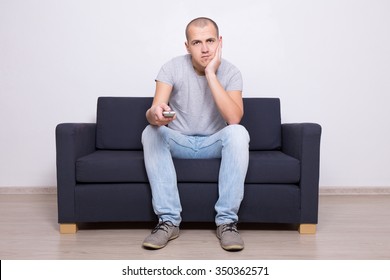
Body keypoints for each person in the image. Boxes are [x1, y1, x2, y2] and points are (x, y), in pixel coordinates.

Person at [141, 17, 249, 251]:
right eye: (197, 42)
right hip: (180, 141)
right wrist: (156, 114)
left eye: (210, 40)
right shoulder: (171, 67)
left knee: (239, 133)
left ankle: (227, 223)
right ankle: (168, 221)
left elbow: (234, 119)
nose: (205, 48)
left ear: (220, 41)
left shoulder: (231, 72)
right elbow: (154, 111)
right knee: (151, 132)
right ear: (187, 46)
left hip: (214, 142)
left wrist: (211, 74)